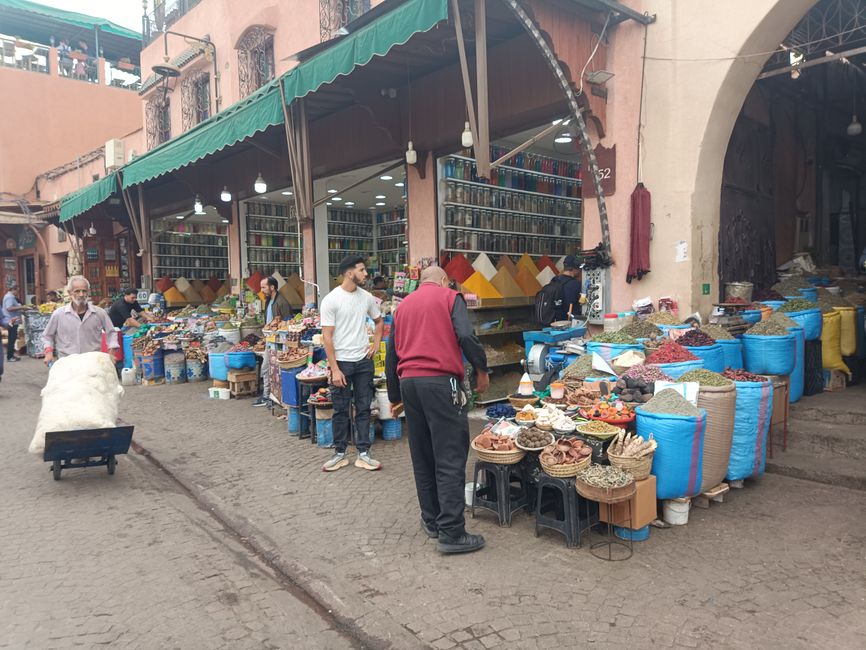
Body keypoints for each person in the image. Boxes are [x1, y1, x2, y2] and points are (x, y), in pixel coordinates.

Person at [385, 266, 490, 554]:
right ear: (444, 280)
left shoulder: (403, 307)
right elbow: (466, 336)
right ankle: (452, 532)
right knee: (450, 455)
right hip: (441, 384)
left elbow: (392, 352)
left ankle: (431, 520)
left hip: (409, 384)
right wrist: (481, 369)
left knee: (422, 455)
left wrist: (394, 396)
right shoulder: (450, 297)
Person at [319, 255, 384, 472]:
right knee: (340, 409)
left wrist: (375, 344)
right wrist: (334, 369)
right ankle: (339, 453)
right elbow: (327, 337)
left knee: (364, 408)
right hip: (342, 363)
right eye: (362, 270)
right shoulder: (331, 300)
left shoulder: (367, 297)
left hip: (364, 361)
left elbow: (379, 321)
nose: (366, 274)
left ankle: (363, 453)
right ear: (349, 273)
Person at [42, 276, 118, 365]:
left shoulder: (99, 313)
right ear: (70, 293)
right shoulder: (59, 314)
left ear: (88, 292)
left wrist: (112, 352)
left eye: (84, 291)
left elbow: (111, 333)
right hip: (67, 363)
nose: (81, 294)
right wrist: (49, 352)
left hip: (92, 362)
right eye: (77, 291)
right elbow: (47, 336)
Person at [253, 276, 292, 408]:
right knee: (266, 369)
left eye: (264, 287)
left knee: (275, 370)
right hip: (269, 342)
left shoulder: (282, 302)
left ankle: (273, 397)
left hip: (279, 343)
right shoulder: (269, 301)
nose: (262, 290)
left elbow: (287, 323)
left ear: (272, 287)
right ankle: (267, 395)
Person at [549, 254, 583, 322]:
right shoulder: (576, 284)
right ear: (575, 268)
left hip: (553, 321)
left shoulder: (554, 280)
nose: (580, 271)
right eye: (580, 268)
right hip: (569, 322)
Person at [1, 282, 24, 362]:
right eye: (17, 291)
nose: (18, 292)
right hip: (11, 320)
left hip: (12, 320)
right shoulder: (9, 297)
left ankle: (11, 355)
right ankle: (10, 357)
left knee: (12, 338)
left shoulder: (10, 296)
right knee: (12, 338)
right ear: (13, 289)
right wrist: (21, 307)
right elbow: (9, 308)